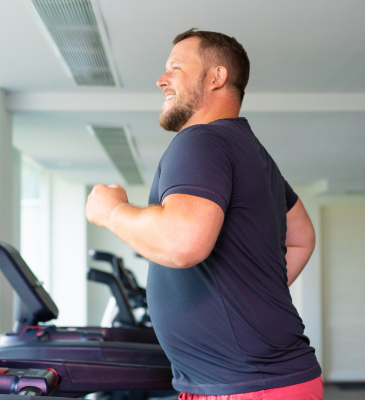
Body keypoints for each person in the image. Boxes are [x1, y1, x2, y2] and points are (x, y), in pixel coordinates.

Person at [85, 29, 323, 400]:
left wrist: (111, 211)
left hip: (246, 385)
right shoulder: (252, 152)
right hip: (256, 380)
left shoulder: (202, 140)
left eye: (175, 68)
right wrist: (252, 296)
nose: (161, 80)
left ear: (217, 76)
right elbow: (301, 236)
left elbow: (182, 243)